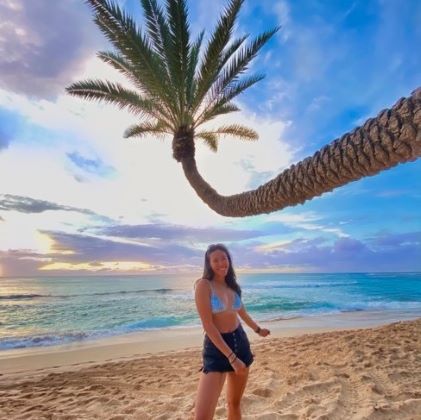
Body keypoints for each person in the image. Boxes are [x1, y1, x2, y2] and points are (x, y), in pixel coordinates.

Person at [193, 243, 270, 420]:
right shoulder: (204, 285)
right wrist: (232, 358)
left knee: (234, 404)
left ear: (229, 260)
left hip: (240, 343)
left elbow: (242, 312)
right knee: (202, 416)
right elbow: (208, 325)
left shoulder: (232, 286)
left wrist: (258, 330)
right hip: (217, 349)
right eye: (215, 260)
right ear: (209, 264)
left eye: (224, 258)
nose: (221, 263)